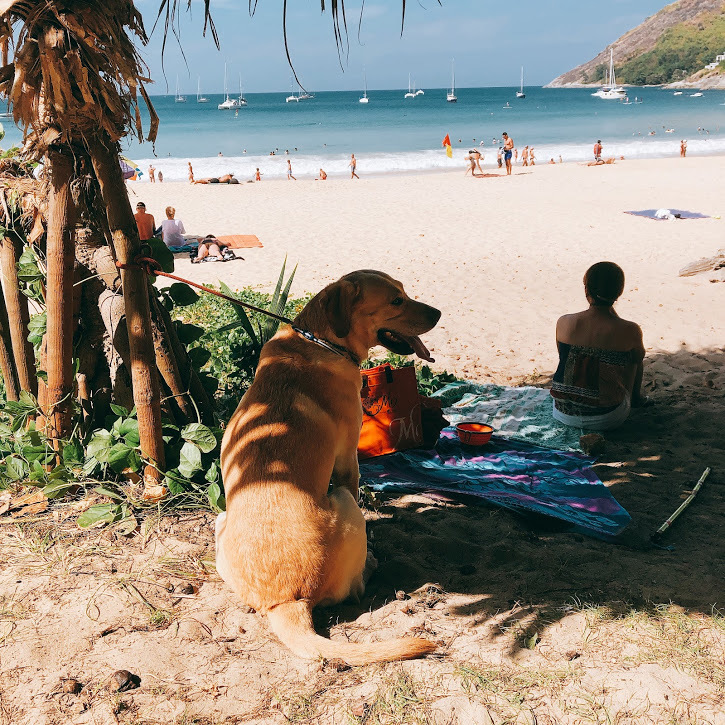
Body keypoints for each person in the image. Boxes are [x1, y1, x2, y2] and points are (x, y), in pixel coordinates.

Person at [551, 261, 646, 431]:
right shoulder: (629, 330)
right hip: (608, 418)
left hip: (562, 413)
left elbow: (563, 357)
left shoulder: (564, 322)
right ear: (620, 291)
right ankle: (634, 398)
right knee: (635, 358)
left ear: (587, 290)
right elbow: (637, 359)